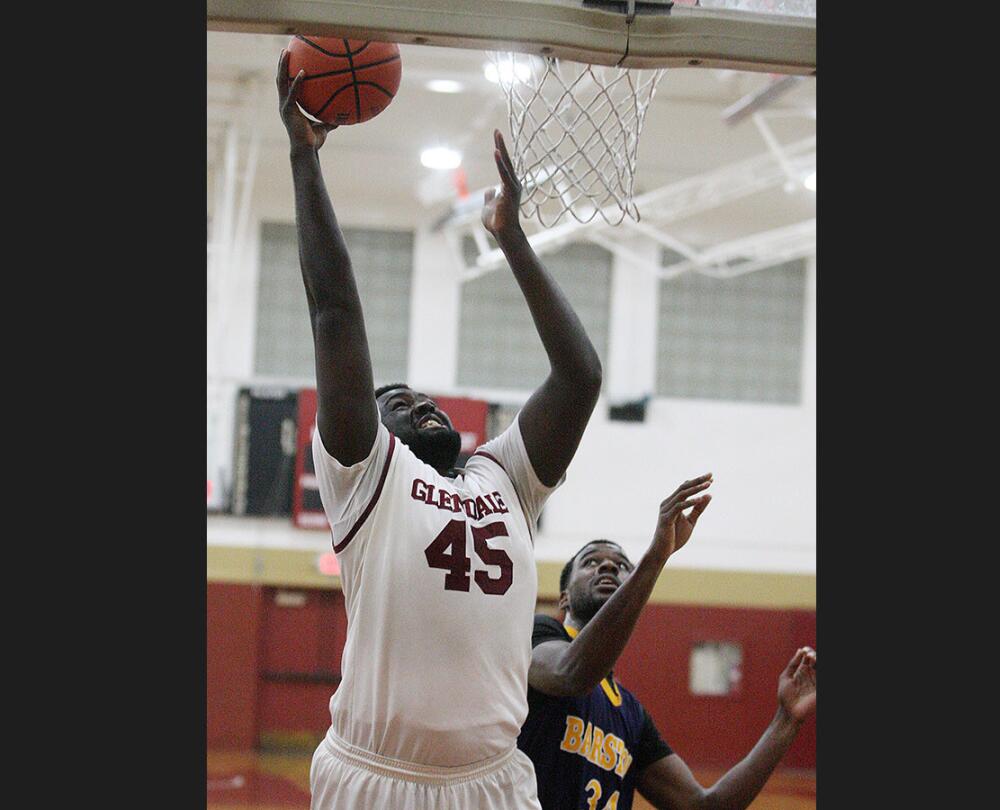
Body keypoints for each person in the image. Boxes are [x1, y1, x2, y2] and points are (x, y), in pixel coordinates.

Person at [276, 48, 603, 810]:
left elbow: (580, 377)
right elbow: (334, 314)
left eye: (424, 397)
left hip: (491, 781)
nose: (420, 404)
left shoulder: (505, 478)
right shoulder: (369, 477)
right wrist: (303, 157)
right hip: (377, 780)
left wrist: (513, 242)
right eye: (398, 401)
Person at [519, 476, 817, 809]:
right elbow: (570, 673)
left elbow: (704, 806)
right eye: (591, 562)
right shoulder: (538, 635)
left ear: (635, 592)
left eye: (621, 567)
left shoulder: (630, 715)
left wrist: (786, 721)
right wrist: (657, 555)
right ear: (564, 599)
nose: (607, 565)